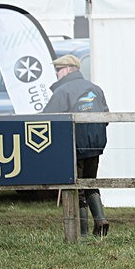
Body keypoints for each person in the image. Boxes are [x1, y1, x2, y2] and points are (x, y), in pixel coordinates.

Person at [44, 54, 110, 237]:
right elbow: (106, 116)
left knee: (78, 188)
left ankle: (83, 233)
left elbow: (47, 118)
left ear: (68, 70)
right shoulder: (96, 89)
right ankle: (100, 219)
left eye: (58, 69)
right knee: (91, 182)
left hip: (74, 147)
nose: (56, 73)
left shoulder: (62, 92)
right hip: (96, 145)